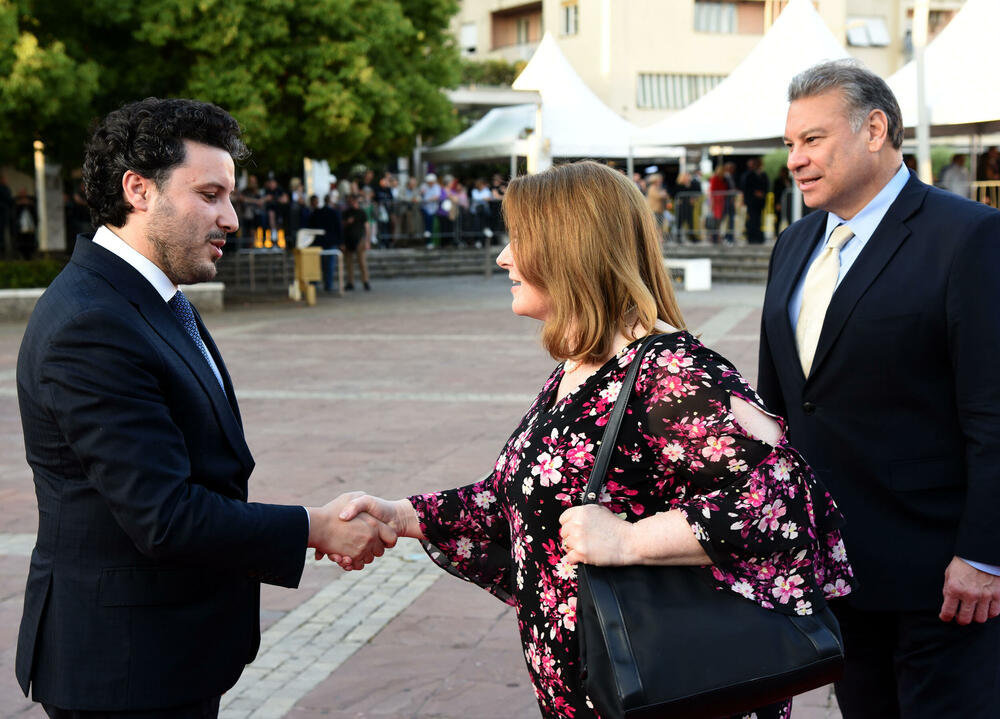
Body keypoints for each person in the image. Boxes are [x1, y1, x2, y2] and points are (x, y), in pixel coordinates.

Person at [335, 161, 854, 719]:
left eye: (519, 240)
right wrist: (400, 515)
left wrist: (630, 540)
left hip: (668, 688)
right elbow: (522, 495)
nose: (503, 257)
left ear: (571, 249)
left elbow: (783, 502)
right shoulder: (583, 364)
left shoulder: (669, 371)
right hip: (593, 686)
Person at [14, 98, 395, 718]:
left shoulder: (149, 297)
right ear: (138, 190)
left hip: (162, 653)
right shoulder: (94, 322)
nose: (231, 219)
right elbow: (164, 516)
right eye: (210, 195)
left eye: (230, 197)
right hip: (123, 668)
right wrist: (315, 527)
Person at [758, 59, 1000, 719]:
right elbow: (783, 404)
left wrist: (985, 554)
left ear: (874, 129)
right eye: (790, 143)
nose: (796, 159)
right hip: (835, 570)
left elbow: (993, 411)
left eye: (812, 139)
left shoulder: (969, 236)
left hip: (943, 579)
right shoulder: (793, 244)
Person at [341, 193, 370, 290]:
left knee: (362, 262)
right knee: (349, 263)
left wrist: (367, 241)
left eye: (353, 200)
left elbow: (367, 227)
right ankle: (350, 282)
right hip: (348, 240)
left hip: (359, 239)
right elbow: (342, 226)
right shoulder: (346, 213)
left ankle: (365, 281)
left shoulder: (361, 212)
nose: (351, 202)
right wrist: (347, 222)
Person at [740, 157, 769, 244]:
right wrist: (754, 192)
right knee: (752, 219)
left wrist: (762, 193)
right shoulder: (749, 175)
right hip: (751, 201)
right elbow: (745, 188)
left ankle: (758, 237)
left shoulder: (763, 175)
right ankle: (752, 237)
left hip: (760, 202)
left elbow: (766, 186)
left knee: (758, 219)